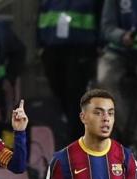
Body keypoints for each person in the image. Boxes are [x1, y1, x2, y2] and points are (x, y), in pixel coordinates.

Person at [37, 0, 102, 146]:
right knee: (59, 97)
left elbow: (100, 17)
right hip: (52, 49)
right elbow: (41, 16)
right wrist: (40, 45)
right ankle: (67, 137)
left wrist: (97, 46)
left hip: (80, 48)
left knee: (75, 97)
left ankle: (77, 142)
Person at [97, 0, 137, 146]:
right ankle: (128, 132)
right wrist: (122, 36)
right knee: (104, 79)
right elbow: (107, 28)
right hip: (119, 50)